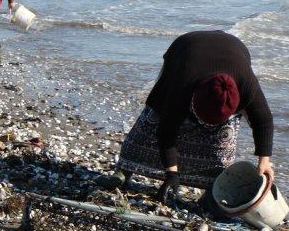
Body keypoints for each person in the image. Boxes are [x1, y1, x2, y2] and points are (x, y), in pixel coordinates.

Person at [117, 30, 274, 204]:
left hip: (234, 50)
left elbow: (264, 121)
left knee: (223, 138)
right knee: (154, 119)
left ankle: (213, 188)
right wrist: (171, 173)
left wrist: (264, 160)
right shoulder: (183, 84)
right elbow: (166, 132)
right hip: (184, 49)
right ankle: (124, 169)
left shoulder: (246, 84)